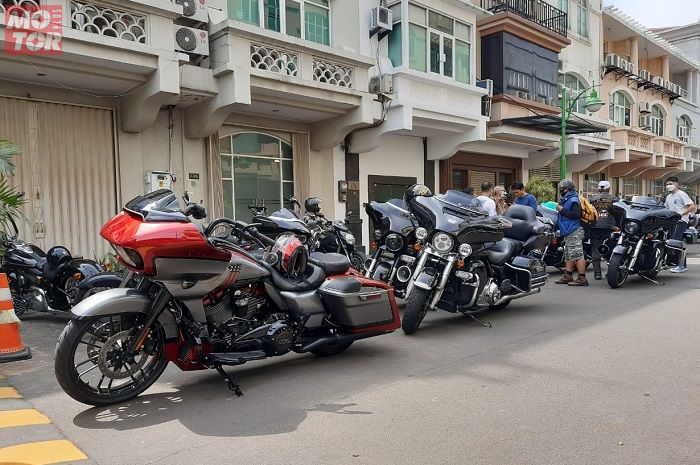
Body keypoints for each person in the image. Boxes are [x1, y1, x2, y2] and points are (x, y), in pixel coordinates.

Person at [554, 179, 588, 286]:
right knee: (569, 254)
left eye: (562, 189)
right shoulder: (567, 199)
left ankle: (582, 278)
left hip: (574, 229)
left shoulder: (573, 199)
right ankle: (568, 276)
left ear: (567, 189)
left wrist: (561, 209)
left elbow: (575, 215)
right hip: (568, 230)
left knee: (578, 254)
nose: (561, 191)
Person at [664, 176, 697, 273]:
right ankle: (683, 265)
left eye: (671, 184)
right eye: (667, 184)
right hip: (672, 221)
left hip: (681, 221)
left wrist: (681, 214)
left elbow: (692, 206)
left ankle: (680, 266)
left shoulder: (681, 194)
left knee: (675, 241)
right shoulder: (668, 197)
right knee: (675, 243)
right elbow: (666, 208)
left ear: (677, 184)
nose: (668, 186)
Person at [588, 180, 619, 280]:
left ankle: (597, 273)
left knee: (595, 250)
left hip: (595, 227)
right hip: (610, 228)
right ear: (609, 188)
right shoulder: (615, 199)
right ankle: (611, 272)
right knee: (612, 250)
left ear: (598, 189)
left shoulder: (592, 199)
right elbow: (619, 213)